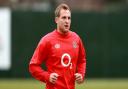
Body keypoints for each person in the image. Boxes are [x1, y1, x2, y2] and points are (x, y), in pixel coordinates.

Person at [29, 3, 86, 89]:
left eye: (69, 18)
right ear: (56, 20)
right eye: (63, 18)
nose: (67, 21)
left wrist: (81, 74)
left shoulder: (76, 39)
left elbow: (82, 60)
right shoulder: (47, 40)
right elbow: (33, 66)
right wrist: (47, 76)